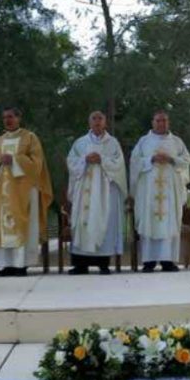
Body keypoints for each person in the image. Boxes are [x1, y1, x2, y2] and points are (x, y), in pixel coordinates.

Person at [0, 107, 53, 276]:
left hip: (24, 191)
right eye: (4, 117)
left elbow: (37, 162)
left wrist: (15, 160)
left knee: (23, 224)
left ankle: (21, 264)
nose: (7, 120)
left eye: (10, 117)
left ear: (18, 118)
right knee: (3, 225)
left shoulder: (29, 138)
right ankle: (6, 265)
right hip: (3, 191)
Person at [129, 110, 190, 273]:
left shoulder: (177, 142)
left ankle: (168, 261)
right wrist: (151, 159)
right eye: (158, 120)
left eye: (164, 120)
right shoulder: (143, 141)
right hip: (149, 190)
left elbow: (186, 161)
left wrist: (171, 159)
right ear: (152, 122)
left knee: (169, 221)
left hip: (171, 190)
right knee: (149, 220)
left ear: (168, 122)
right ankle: (148, 261)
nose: (161, 123)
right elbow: (134, 162)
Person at [66, 111, 127, 275]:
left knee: (104, 221)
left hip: (105, 191)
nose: (97, 122)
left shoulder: (113, 143)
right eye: (94, 118)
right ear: (89, 122)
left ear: (105, 122)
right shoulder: (80, 143)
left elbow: (119, 164)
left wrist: (102, 160)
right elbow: (71, 162)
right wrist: (84, 160)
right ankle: (80, 265)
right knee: (82, 222)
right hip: (85, 189)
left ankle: (104, 263)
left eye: (100, 119)